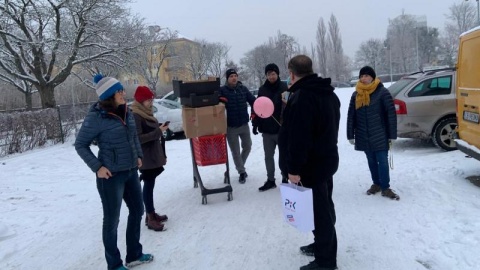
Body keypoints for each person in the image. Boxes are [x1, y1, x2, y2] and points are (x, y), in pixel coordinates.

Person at [75, 74, 153, 270]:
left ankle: (134, 254)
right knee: (112, 220)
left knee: (137, 211)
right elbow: (80, 145)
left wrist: (138, 155)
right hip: (111, 176)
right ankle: (114, 264)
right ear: (109, 95)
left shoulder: (126, 110)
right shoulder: (96, 117)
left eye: (122, 90)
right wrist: (98, 167)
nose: (123, 93)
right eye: (119, 91)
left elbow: (133, 136)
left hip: (130, 171)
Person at [278, 55, 340, 270]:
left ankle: (326, 262)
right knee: (321, 208)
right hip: (325, 161)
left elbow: (299, 137)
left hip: (310, 166)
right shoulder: (327, 93)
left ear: (292, 73)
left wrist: (293, 169)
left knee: (320, 213)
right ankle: (320, 245)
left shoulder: (304, 97)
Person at [346, 66, 399, 200]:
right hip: (363, 134)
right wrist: (350, 134)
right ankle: (376, 183)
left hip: (380, 134)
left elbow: (391, 115)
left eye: (366, 76)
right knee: (371, 161)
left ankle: (385, 187)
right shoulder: (356, 94)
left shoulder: (382, 92)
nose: (363, 79)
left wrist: (392, 135)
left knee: (382, 161)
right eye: (361, 76)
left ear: (372, 77)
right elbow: (351, 115)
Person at [130, 86, 168, 232]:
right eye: (148, 100)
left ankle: (150, 214)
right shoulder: (136, 114)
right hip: (146, 157)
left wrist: (158, 128)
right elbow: (138, 139)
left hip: (152, 155)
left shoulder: (144, 112)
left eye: (151, 99)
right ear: (141, 100)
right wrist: (159, 131)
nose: (151, 102)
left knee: (150, 184)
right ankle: (150, 217)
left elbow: (147, 129)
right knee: (148, 185)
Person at [252, 63, 288, 191]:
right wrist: (255, 124)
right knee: (268, 156)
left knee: (284, 156)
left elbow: (289, 106)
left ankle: (285, 178)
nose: (271, 76)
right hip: (267, 130)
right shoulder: (262, 89)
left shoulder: (284, 87)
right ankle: (270, 180)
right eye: (268, 74)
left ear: (277, 74)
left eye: (273, 74)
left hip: (281, 130)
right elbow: (257, 107)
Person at [219, 68, 256, 183]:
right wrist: (220, 100)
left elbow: (253, 101)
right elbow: (217, 103)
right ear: (227, 78)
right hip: (231, 127)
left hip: (244, 124)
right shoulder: (222, 90)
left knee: (248, 146)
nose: (234, 78)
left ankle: (237, 168)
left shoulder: (243, 89)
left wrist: (254, 113)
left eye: (235, 76)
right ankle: (241, 172)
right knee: (235, 151)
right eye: (231, 76)